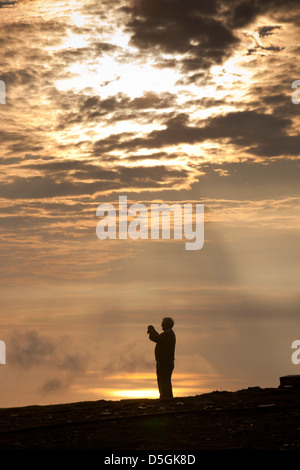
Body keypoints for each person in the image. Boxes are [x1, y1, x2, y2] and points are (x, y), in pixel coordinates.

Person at [147, 317, 176, 400]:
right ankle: (166, 397)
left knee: (163, 381)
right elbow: (158, 337)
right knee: (164, 380)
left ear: (167, 325)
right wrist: (153, 330)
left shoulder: (168, 334)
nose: (161, 325)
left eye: (163, 323)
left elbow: (155, 338)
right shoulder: (168, 334)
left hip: (164, 362)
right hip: (165, 361)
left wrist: (151, 330)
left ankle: (165, 398)